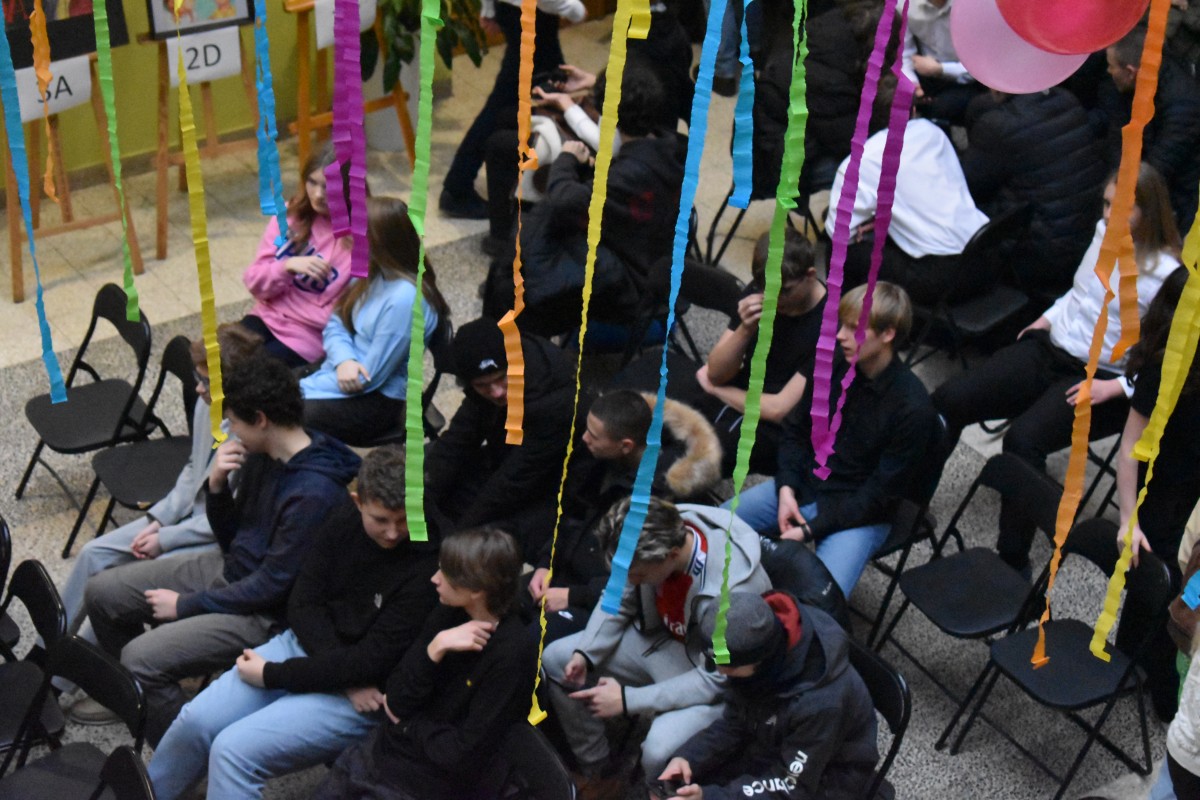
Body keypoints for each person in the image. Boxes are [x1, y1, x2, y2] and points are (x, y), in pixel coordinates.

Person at [83, 354, 361, 745]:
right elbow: (234, 539)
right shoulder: (264, 453)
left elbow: (271, 587)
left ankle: (181, 753)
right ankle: (136, 699)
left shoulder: (313, 494)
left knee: (140, 660)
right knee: (102, 592)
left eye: (234, 421)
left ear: (260, 419)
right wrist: (216, 487)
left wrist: (186, 605)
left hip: (263, 611)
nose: (230, 431)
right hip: (232, 570)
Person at [147, 445, 439, 799]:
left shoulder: (429, 560)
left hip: (363, 692)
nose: (393, 532)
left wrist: (277, 675)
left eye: (404, 519)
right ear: (357, 502)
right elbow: (302, 602)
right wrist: (343, 677)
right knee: (195, 721)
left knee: (233, 752)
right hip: (324, 660)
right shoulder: (341, 516)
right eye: (381, 520)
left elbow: (372, 660)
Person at [932, 163, 1182, 576]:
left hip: (1103, 378)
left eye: (1122, 208)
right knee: (950, 398)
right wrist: (1046, 319)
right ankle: (908, 501)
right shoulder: (1103, 233)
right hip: (1054, 347)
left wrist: (1117, 387)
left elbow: (1169, 360)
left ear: (1148, 212)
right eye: (1106, 204)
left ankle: (1012, 561)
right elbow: (1079, 294)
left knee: (1023, 440)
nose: (1109, 216)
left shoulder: (1168, 276)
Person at [63, 324, 263, 723]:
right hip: (181, 519)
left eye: (206, 383)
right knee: (94, 553)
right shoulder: (207, 405)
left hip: (214, 539)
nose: (198, 389)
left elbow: (228, 521)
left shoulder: (251, 436)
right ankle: (47, 655)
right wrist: (159, 519)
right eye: (197, 379)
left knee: (118, 584)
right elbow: (192, 468)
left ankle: (73, 679)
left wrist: (165, 538)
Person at [542, 496, 772, 792]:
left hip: (707, 675)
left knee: (657, 750)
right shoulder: (654, 540)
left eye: (638, 575)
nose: (632, 580)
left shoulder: (734, 593)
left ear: (672, 555)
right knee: (557, 659)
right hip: (660, 639)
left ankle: (653, 791)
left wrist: (628, 700)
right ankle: (599, 770)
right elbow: (618, 598)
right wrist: (586, 652)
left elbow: (716, 681)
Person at [724, 282, 937, 597]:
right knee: (713, 527)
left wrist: (810, 529)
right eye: (842, 324)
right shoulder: (832, 362)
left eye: (854, 328)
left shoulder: (913, 409)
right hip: (806, 484)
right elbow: (795, 431)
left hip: (858, 512)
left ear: (888, 334)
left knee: (820, 602)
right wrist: (786, 488)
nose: (840, 335)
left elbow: (879, 497)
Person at [312, 527, 537, 800]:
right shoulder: (449, 610)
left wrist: (408, 725)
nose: (434, 579)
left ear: (476, 590)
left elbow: (461, 754)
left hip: (421, 783)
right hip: (382, 750)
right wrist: (435, 648)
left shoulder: (512, 656)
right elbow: (396, 698)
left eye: (445, 573)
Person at [504, 63, 686, 337]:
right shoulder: (669, 147)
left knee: (532, 257)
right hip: (656, 260)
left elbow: (563, 199)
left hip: (632, 284)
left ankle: (528, 341)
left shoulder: (628, 175)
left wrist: (566, 159)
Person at [528, 388, 722, 642]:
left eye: (593, 435)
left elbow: (647, 575)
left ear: (625, 445)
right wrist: (546, 562)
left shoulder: (665, 497)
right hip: (565, 571)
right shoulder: (597, 458)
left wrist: (575, 596)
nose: (584, 438)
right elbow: (571, 513)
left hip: (602, 599)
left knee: (534, 639)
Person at [658, 591, 879, 800]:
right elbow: (735, 722)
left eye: (728, 666)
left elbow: (792, 787)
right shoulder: (757, 649)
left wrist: (711, 797)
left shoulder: (822, 704)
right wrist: (689, 757)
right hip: (771, 741)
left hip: (826, 778)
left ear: (760, 660)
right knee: (677, 784)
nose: (721, 672)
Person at [1112, 266, 1199, 721]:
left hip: (1192, 502)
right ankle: (1152, 676)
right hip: (1166, 500)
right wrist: (1128, 519)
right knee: (1163, 590)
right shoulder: (1167, 368)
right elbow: (1129, 447)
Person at [300, 197, 451, 446]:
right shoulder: (371, 271)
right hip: (340, 372)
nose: (346, 239)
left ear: (380, 242)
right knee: (269, 391)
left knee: (282, 415)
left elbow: (367, 379)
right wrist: (345, 359)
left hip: (374, 401)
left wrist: (303, 389)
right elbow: (336, 323)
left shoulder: (405, 300)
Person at [828, 77, 989, 306]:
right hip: (985, 254)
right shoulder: (933, 132)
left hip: (943, 280)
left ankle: (850, 318)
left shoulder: (861, 162)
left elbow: (839, 232)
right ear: (913, 109)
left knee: (843, 252)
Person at [424, 317, 574, 561]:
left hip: (552, 480)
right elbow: (458, 440)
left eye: (502, 378)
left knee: (483, 537)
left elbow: (513, 480)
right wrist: (421, 496)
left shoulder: (552, 400)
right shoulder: (488, 382)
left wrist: (459, 533)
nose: (496, 392)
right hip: (506, 452)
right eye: (483, 385)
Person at [438, 0, 586, 219]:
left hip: (516, 11)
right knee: (509, 104)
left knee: (548, 90)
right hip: (533, 15)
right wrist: (573, 8)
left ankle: (551, 178)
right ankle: (458, 187)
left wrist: (490, 9)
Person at [696, 228, 827, 475]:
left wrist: (717, 390)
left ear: (810, 275)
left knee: (700, 453)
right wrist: (745, 329)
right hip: (746, 391)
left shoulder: (831, 327)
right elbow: (715, 372)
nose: (775, 300)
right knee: (665, 420)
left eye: (784, 290)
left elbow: (779, 410)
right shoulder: (760, 293)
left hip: (784, 428)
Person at [961, 87, 1109, 296]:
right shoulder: (1068, 100)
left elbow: (968, 188)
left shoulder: (997, 125)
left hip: (1040, 255)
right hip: (1088, 238)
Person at [239, 145, 354, 367]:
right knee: (215, 365)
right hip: (265, 318)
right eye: (312, 183)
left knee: (250, 376)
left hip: (306, 338)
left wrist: (291, 306)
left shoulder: (360, 240)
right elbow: (254, 281)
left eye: (328, 186)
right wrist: (287, 266)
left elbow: (343, 317)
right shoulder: (289, 215)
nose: (318, 195)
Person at [1100, 25, 1200, 229]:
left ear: (1130, 72)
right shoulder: (1127, 85)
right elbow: (1118, 136)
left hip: (1170, 202)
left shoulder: (1182, 105)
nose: (1108, 71)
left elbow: (1158, 168)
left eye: (1111, 66)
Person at [901, 0, 983, 123]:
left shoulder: (976, 6)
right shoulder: (902, 4)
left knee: (944, 108)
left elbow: (982, 66)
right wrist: (912, 83)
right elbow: (904, 53)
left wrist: (940, 69)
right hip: (926, 71)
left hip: (970, 77)